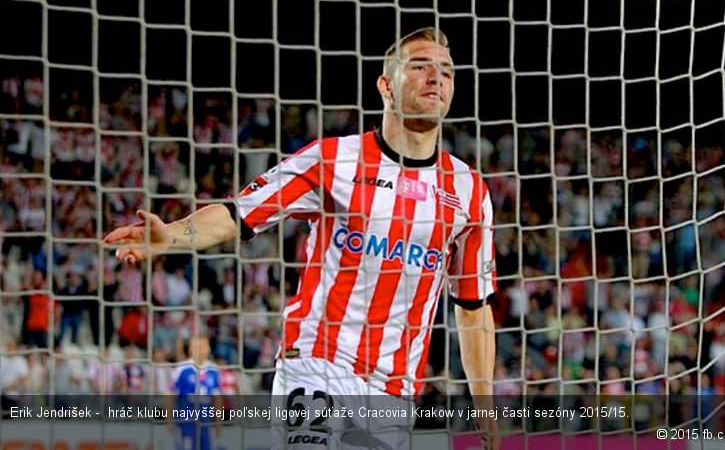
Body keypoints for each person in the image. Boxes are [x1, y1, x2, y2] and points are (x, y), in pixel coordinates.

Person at [104, 27, 499, 450]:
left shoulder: (469, 192)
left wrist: (486, 407)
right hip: (317, 362)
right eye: (420, 66)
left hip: (394, 391)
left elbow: (473, 308)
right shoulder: (333, 159)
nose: (435, 77)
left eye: (446, 71)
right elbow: (241, 213)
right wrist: (175, 235)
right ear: (385, 85)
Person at [166, 336, 223, 450]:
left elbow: (217, 399)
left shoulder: (213, 370)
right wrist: (169, 420)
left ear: (208, 349)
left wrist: (218, 423)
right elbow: (170, 395)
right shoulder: (181, 369)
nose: (201, 349)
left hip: (205, 423)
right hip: (186, 422)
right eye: (197, 346)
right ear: (191, 349)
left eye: (204, 346)